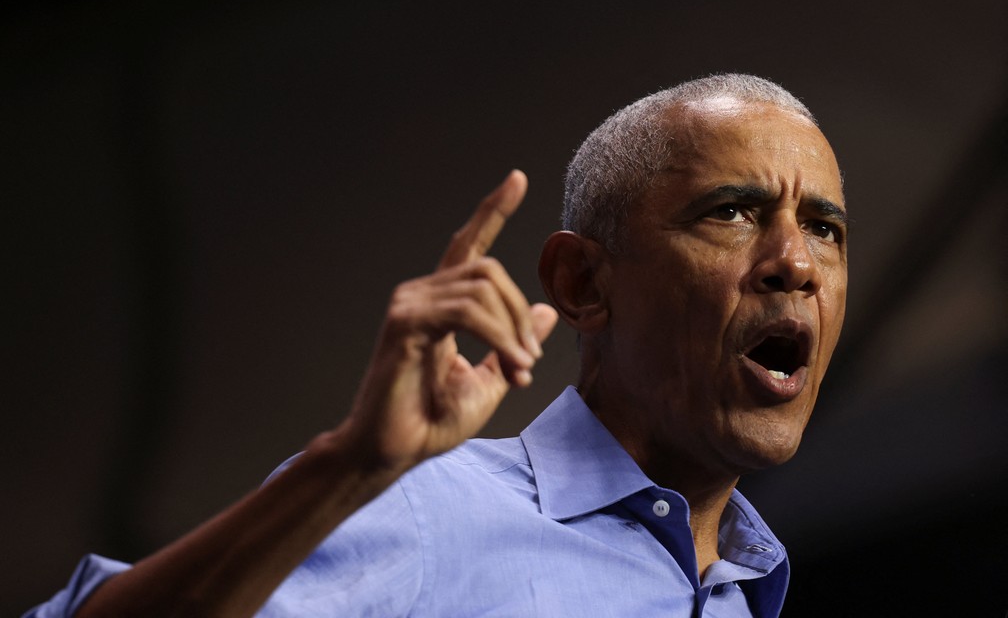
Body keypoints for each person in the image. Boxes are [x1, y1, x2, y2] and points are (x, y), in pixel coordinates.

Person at [26, 73, 848, 617]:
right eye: (730, 212)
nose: (795, 262)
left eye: (824, 228)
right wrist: (350, 464)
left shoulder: (746, 589)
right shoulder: (429, 509)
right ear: (582, 285)